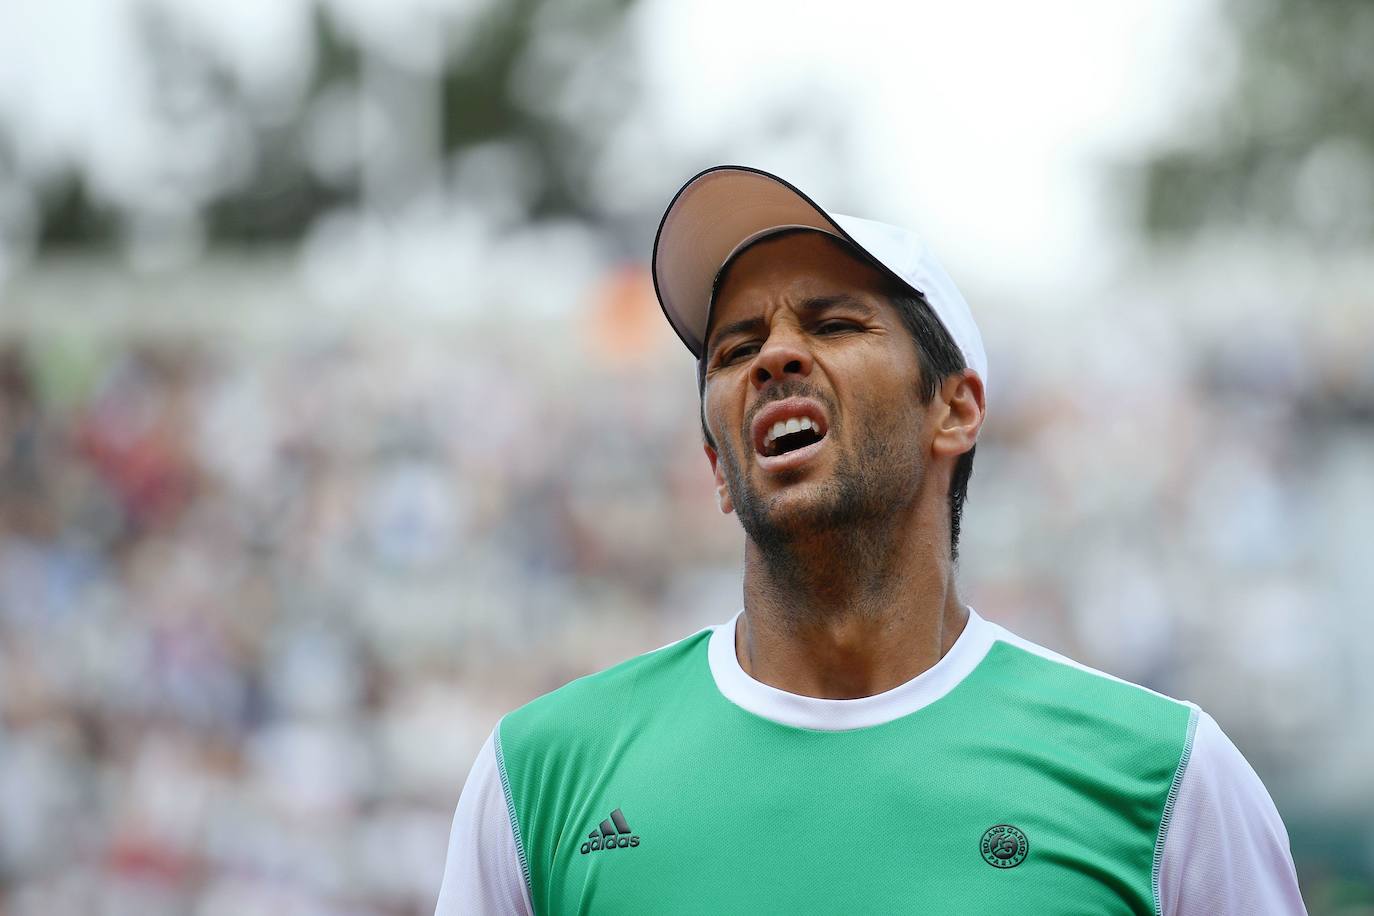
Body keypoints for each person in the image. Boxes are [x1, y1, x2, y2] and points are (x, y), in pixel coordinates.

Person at [434, 165, 1307, 914]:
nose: (775, 356)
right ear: (715, 461)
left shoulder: (1164, 778)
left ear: (955, 408)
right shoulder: (538, 774)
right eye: (736, 348)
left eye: (833, 324)